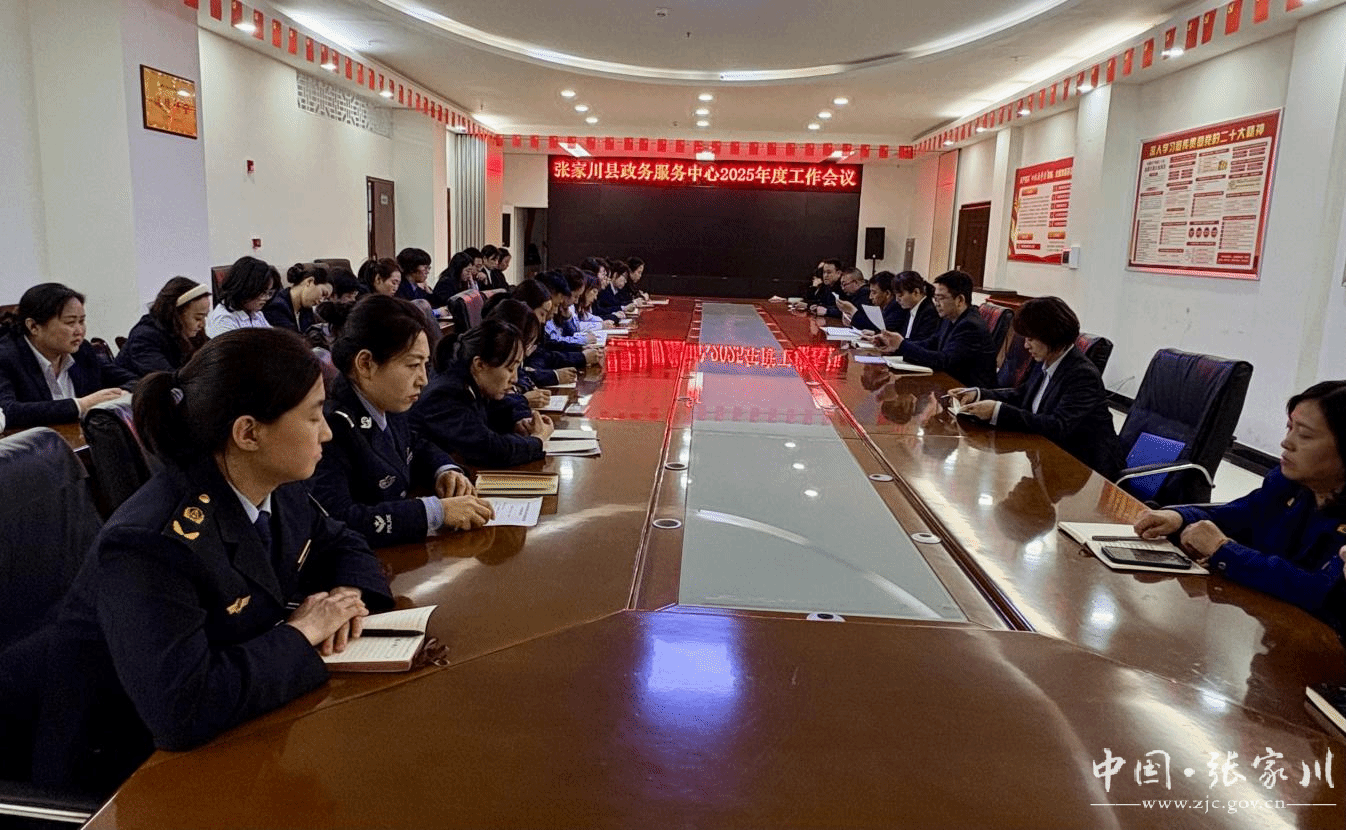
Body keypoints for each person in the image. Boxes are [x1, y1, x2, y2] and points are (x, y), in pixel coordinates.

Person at [13, 328, 393, 797]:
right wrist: (303, 632)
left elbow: (339, 540)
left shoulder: (275, 485)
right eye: (314, 416)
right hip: (125, 772)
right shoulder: (150, 544)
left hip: (238, 734)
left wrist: (346, 597)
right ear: (248, 432)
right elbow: (182, 709)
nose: (328, 432)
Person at [1133, 381, 1346, 626]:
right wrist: (1180, 518)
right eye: (1289, 428)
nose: (1287, 443)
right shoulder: (1289, 482)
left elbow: (1321, 592)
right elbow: (1244, 514)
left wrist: (1224, 550)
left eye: (1305, 435)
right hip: (1268, 622)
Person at [310, 295, 492, 546]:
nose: (423, 380)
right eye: (413, 365)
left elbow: (415, 445)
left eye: (425, 365)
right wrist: (434, 513)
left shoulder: (387, 400)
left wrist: (444, 470)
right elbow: (340, 520)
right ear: (366, 364)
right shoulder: (331, 428)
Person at [950, 296, 1124, 479]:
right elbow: (1023, 394)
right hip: (1048, 458)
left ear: (1052, 337)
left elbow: (1058, 426)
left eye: (1031, 339)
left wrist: (997, 411)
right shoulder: (1047, 359)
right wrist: (978, 394)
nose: (1026, 345)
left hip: (1085, 472)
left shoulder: (1082, 375)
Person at [411, 318, 554, 468]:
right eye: (510, 369)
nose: (515, 379)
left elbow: (495, 410)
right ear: (479, 364)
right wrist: (538, 440)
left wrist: (518, 423)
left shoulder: (470, 382)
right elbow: (491, 450)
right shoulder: (445, 396)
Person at [0, 282, 137, 428]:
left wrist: (120, 395)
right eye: (70, 322)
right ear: (33, 326)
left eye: (82, 321)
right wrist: (81, 405)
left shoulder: (82, 351)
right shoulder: (6, 357)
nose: (80, 331)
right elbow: (8, 412)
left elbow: (134, 381)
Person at [876, 270, 997, 389]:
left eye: (941, 298)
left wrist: (903, 346)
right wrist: (897, 346)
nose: (936, 303)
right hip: (950, 384)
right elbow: (931, 343)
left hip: (968, 390)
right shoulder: (949, 318)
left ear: (960, 300)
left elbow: (944, 361)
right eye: (935, 298)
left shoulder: (970, 326)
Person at [115, 277, 211, 376]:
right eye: (198, 318)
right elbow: (167, 379)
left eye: (205, 317)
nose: (203, 324)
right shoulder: (144, 338)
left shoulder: (190, 334)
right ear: (176, 314)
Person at [204, 256, 279, 337]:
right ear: (245, 288)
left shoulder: (256, 314)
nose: (266, 298)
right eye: (262, 292)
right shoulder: (224, 320)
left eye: (269, 293)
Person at [891, 271, 940, 341]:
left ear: (916, 292)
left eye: (900, 295)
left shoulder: (929, 312)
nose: (897, 300)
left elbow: (920, 342)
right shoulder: (909, 309)